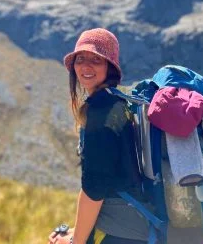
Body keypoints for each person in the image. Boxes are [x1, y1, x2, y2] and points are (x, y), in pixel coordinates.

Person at [48, 28, 150, 244]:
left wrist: (76, 241)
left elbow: (94, 188)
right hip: (136, 225)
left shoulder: (102, 113)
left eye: (96, 59)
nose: (86, 66)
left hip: (122, 235)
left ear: (109, 67)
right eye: (80, 58)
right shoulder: (119, 103)